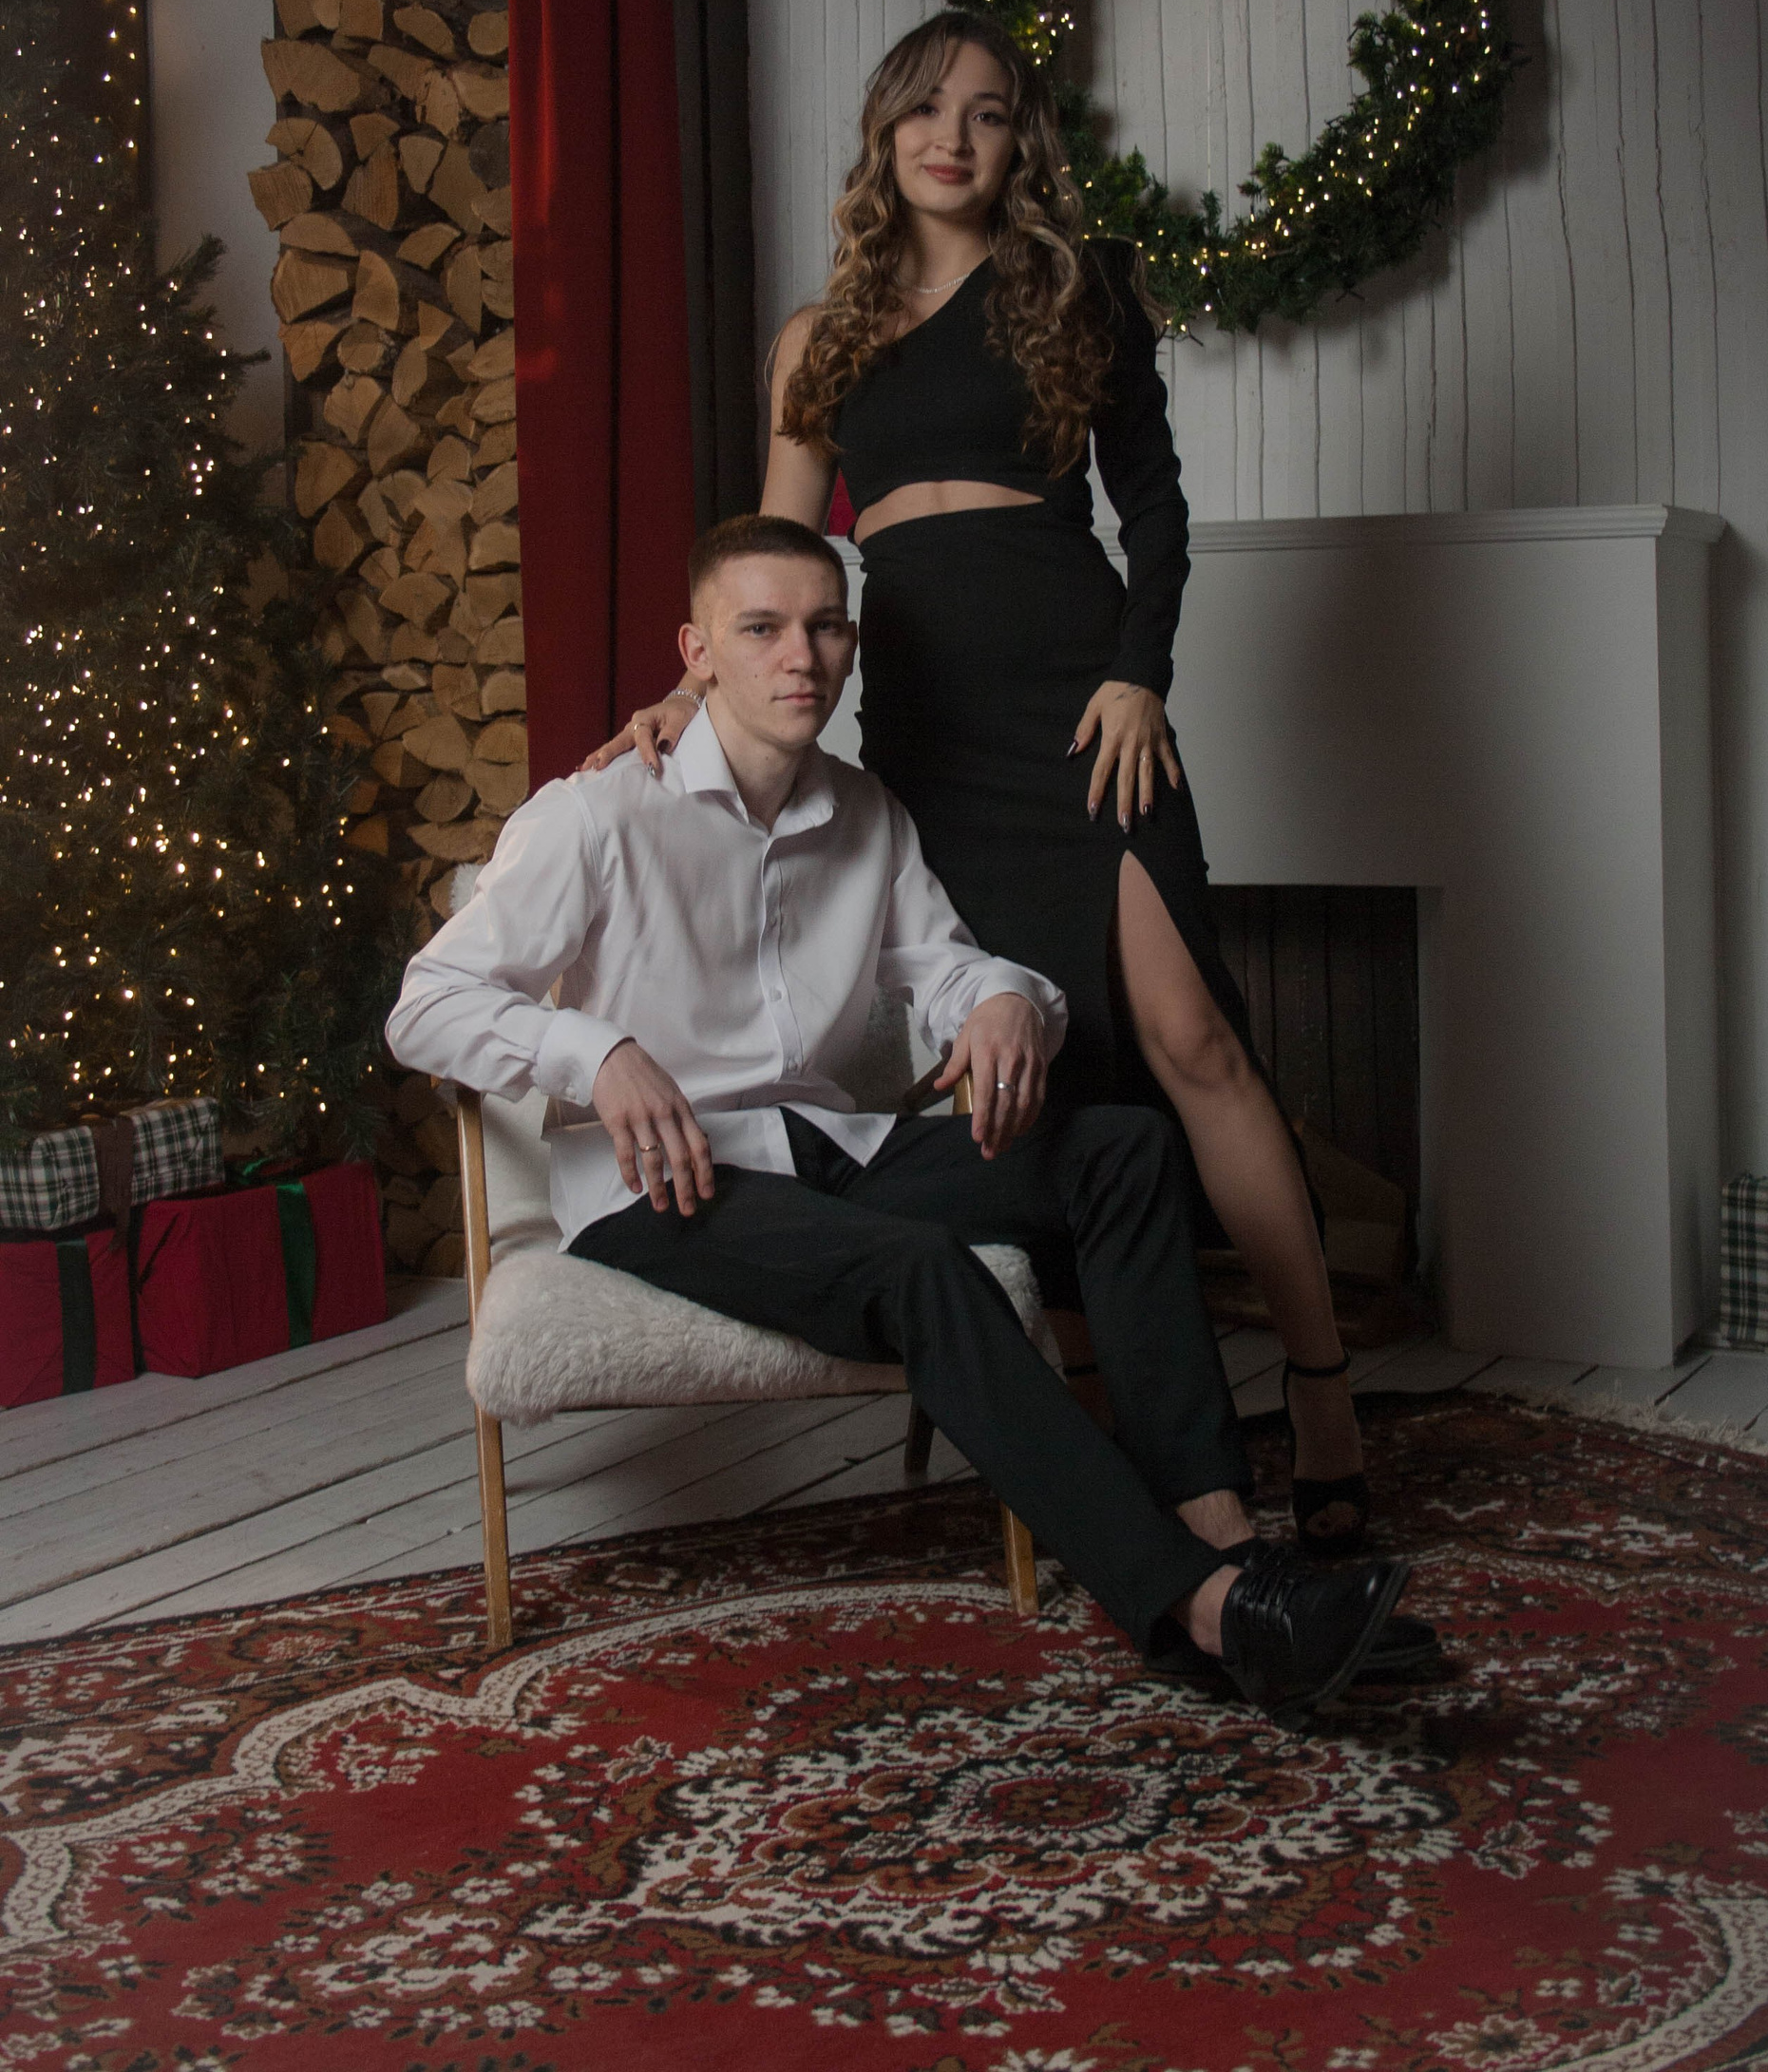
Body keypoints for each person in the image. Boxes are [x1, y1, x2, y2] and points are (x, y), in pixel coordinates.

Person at [390, 517, 1416, 1721]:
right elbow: (426, 1004)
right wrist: (595, 1050)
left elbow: (949, 966)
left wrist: (1002, 1003)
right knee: (925, 1268)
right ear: (697, 653)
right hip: (666, 1184)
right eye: (762, 628)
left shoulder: (866, 813)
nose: (802, 657)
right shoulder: (598, 816)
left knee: (1123, 1149)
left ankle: (1226, 1535)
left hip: (834, 1150)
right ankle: (1198, 1609)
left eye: (826, 627)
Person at [591, 14, 1373, 1555]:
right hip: (933, 732)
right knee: (1032, 1071)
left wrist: (1140, 672)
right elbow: (779, 556)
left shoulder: (1077, 291)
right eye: (926, 108)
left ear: (1023, 144)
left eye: (990, 112)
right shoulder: (818, 341)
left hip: (1084, 707)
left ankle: (1324, 1388)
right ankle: (1127, 1436)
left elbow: (1156, 510)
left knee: (1192, 1036)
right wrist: (687, 691)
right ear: (884, 131)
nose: (954, 136)